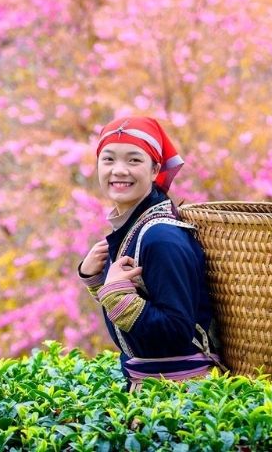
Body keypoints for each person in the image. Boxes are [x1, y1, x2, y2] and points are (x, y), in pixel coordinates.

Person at [77, 116, 224, 393]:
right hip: (150, 390)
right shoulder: (135, 228)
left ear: (155, 168)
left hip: (178, 397)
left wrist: (116, 294)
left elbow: (174, 334)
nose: (119, 170)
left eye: (134, 160)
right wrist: (96, 278)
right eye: (108, 160)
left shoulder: (161, 238)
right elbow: (141, 305)